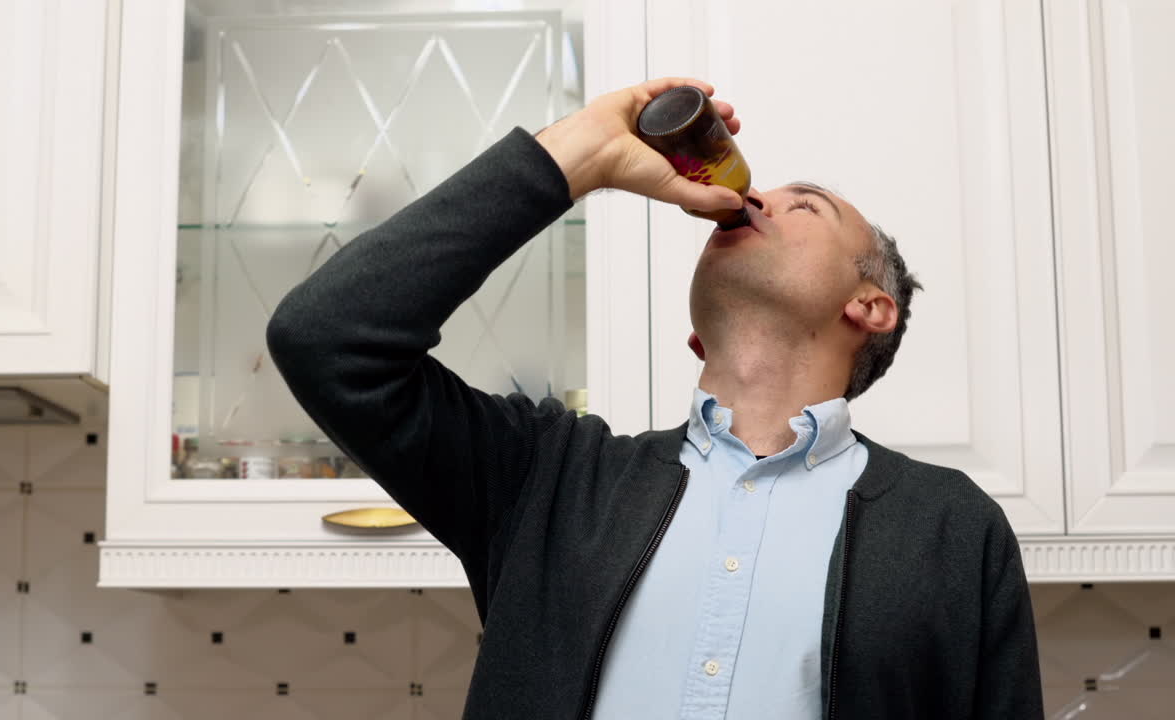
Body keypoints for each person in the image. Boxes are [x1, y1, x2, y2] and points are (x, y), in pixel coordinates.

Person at [266, 77, 1043, 719]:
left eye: (804, 206)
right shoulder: (552, 479)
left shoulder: (953, 528)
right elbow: (326, 337)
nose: (759, 201)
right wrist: (582, 156)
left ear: (870, 306)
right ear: (698, 339)